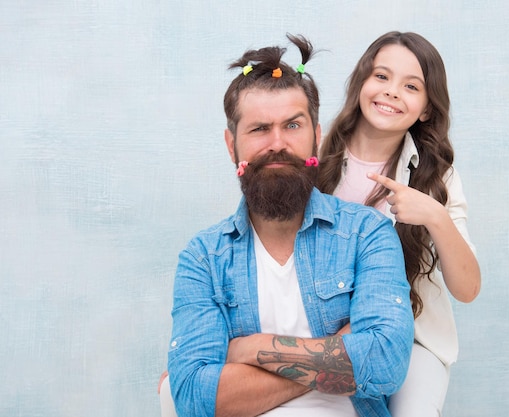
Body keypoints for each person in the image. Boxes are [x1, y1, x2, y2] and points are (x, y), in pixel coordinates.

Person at [165, 34, 414, 417]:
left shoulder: (367, 234)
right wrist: (336, 350)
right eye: (259, 129)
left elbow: (385, 364)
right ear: (232, 146)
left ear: (316, 136)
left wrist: (253, 349)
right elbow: (196, 399)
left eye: (293, 126)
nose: (277, 143)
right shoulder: (204, 258)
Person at [317, 31, 482, 417]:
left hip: (412, 340)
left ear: (426, 108)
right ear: (361, 83)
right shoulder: (315, 155)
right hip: (321, 334)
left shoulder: (438, 178)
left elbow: (468, 288)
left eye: (411, 86)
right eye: (381, 76)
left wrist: (435, 217)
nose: (392, 92)